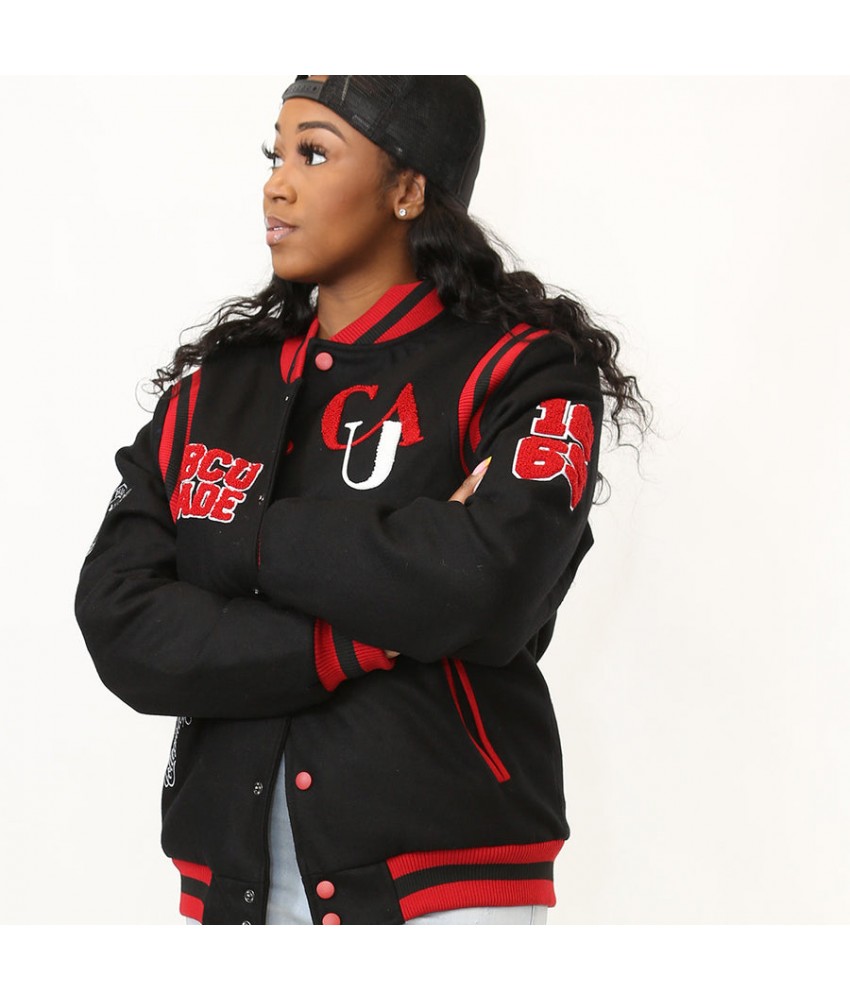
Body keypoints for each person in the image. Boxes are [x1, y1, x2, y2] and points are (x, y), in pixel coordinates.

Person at [75, 75, 650, 925]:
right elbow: (120, 621)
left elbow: (490, 586)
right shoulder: (211, 395)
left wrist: (237, 541)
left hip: (449, 895)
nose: (277, 185)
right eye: (275, 154)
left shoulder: (525, 371)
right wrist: (368, 630)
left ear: (407, 190)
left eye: (314, 154)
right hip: (230, 888)